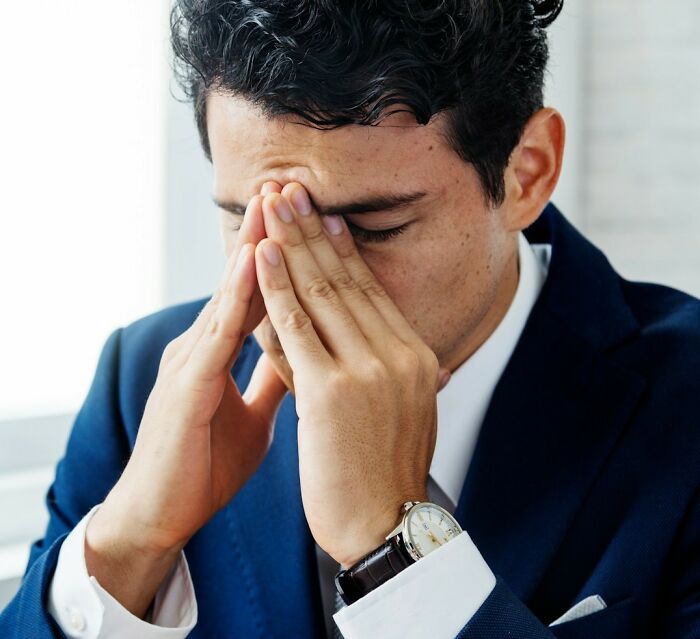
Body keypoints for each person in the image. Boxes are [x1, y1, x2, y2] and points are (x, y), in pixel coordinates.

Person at [3, 0, 700, 637]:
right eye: (246, 221)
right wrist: (130, 545)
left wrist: (392, 551)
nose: (297, 283)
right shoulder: (143, 381)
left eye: (370, 226)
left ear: (527, 171)